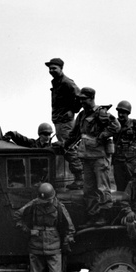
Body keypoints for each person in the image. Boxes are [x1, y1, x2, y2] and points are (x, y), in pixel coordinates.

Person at [14, 182, 75, 272]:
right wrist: (28, 231)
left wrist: (67, 239)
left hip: (54, 247)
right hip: (36, 246)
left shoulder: (59, 206)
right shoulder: (34, 204)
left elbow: (70, 227)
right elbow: (17, 216)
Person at [66, 87, 120, 225]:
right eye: (80, 99)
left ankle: (104, 216)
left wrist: (102, 136)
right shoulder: (82, 115)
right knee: (88, 189)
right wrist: (65, 145)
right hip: (86, 156)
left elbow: (116, 126)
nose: (81, 102)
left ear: (91, 98)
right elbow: (75, 133)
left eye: (84, 99)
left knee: (102, 188)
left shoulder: (101, 113)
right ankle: (93, 216)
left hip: (100, 157)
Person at [46, 57, 84, 189]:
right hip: (59, 121)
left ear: (61, 68)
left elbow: (80, 96)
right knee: (67, 147)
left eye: (54, 68)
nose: (51, 70)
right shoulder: (57, 82)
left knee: (69, 148)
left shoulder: (67, 82)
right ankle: (79, 178)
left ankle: (80, 179)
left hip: (65, 122)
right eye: (50, 68)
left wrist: (73, 110)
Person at [112, 101, 136, 191]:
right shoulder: (114, 124)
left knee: (133, 184)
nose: (120, 115)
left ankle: (134, 204)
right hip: (118, 161)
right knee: (120, 186)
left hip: (131, 162)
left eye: (123, 113)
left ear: (128, 113)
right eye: (119, 112)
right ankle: (121, 204)